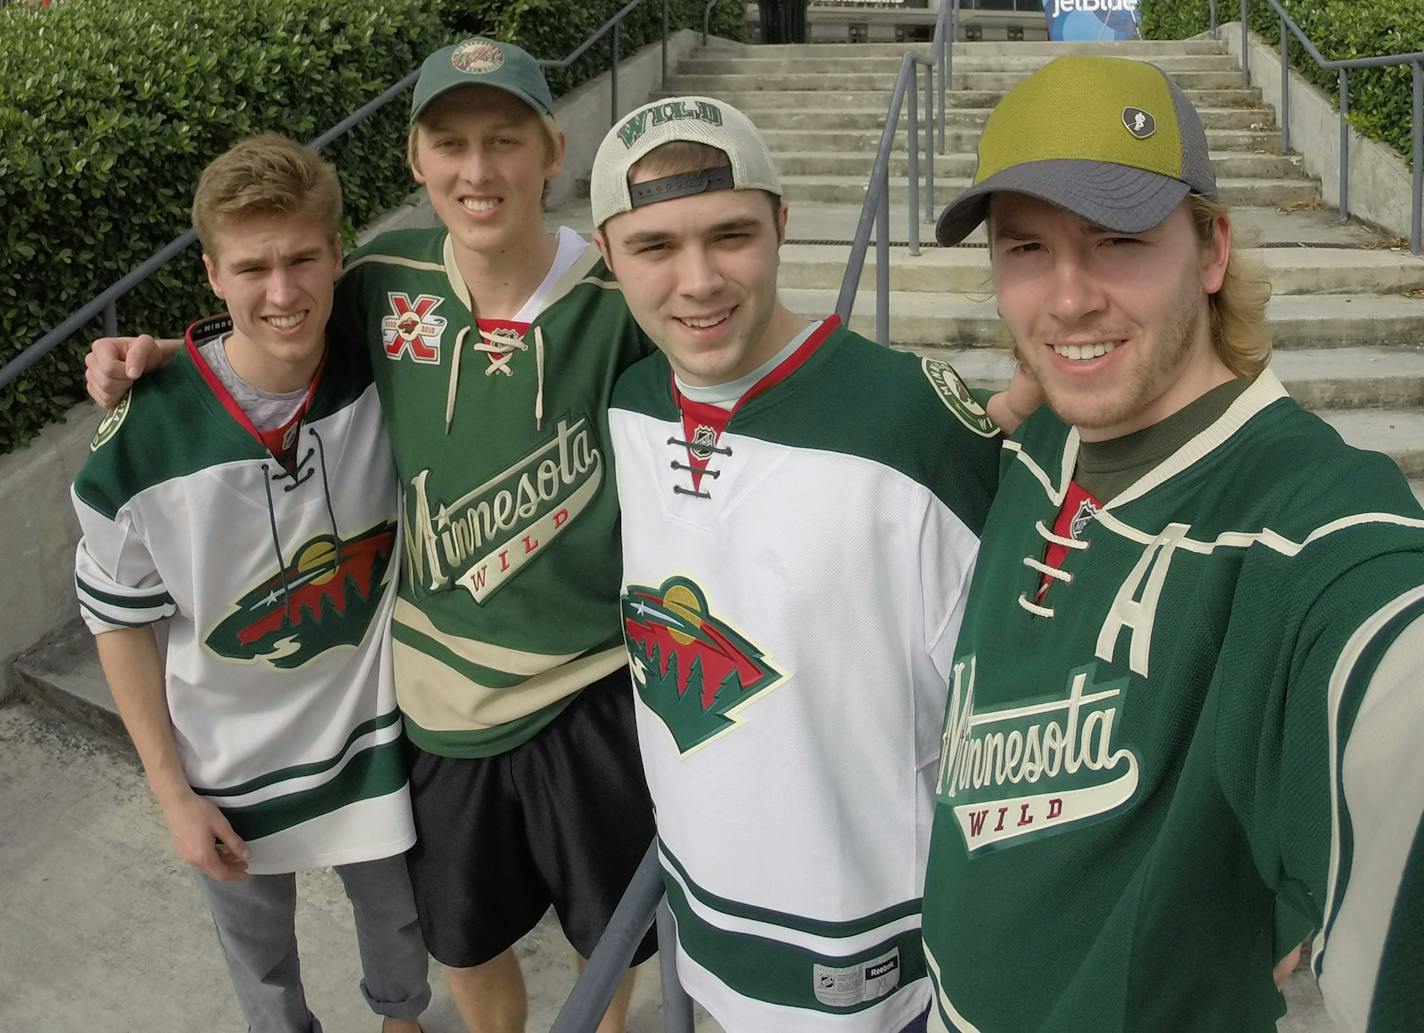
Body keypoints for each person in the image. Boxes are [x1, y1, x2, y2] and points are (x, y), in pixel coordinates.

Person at [83, 38, 657, 1033]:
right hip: (434, 704)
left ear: (551, 148)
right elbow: (270, 325)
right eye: (450, 142)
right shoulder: (387, 280)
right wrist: (164, 358)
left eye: (503, 140)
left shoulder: (620, 300)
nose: (477, 170)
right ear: (415, 160)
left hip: (584, 685)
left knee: (601, 938)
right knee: (461, 942)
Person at [918, 55, 1424, 1033]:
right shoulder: (1040, 443)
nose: (1066, 301)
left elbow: (1384, 674)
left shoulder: (1302, 524)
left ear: (1209, 250)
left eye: (1115, 240)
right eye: (1024, 249)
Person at [589, 96, 1004, 1032]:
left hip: (878, 949)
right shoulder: (629, 405)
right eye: (655, 246)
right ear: (607, 256)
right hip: (706, 914)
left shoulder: (907, 424)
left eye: (730, 234)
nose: (698, 281)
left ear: (782, 223)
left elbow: (1013, 702)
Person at [71, 134, 429, 1033]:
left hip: (372, 737)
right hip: (226, 759)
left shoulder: (385, 367)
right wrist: (171, 795)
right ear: (212, 275)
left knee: (399, 920)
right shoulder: (143, 436)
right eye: (252, 267)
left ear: (339, 256)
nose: (282, 291)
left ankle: (402, 1019)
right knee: (261, 965)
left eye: (304, 258)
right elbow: (117, 620)